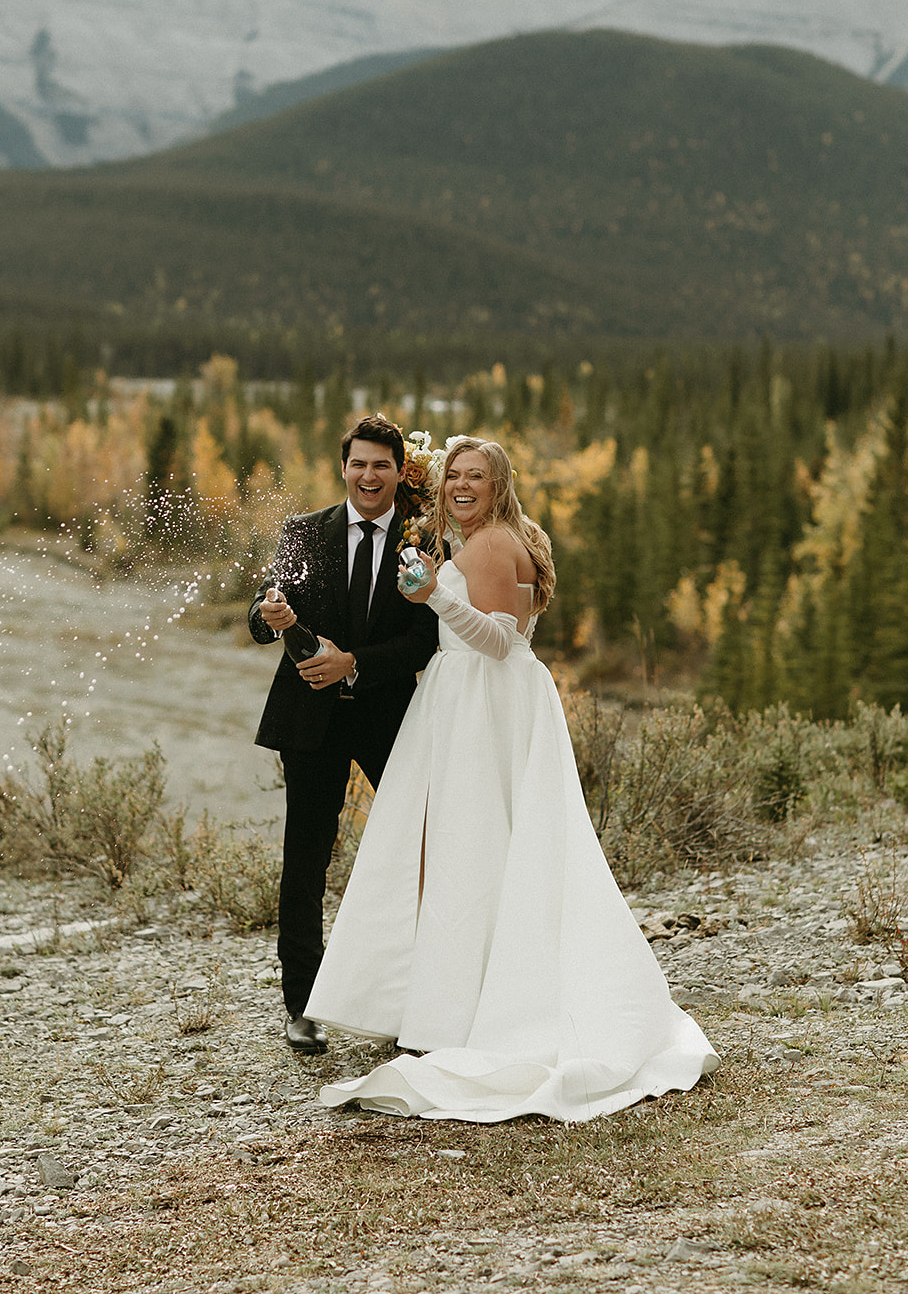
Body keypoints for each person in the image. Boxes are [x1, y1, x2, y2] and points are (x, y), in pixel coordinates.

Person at [305, 436, 719, 1122]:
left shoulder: (495, 544)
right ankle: (463, 1003)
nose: (461, 487)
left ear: (499, 486)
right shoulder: (490, 539)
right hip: (475, 702)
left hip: (480, 703)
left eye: (476, 477)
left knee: (467, 853)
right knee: (479, 852)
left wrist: (436, 594)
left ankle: (468, 1013)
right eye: (454, 477)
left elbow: (500, 641)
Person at [248, 415, 439, 1054]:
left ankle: (425, 995)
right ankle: (302, 1006)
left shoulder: (423, 543)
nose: (368, 475)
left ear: (399, 472)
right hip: (311, 721)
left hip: (390, 718)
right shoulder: (305, 533)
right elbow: (262, 607)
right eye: (358, 463)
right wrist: (268, 614)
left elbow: (425, 638)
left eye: (381, 465)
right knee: (305, 861)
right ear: (343, 467)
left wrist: (353, 663)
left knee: (421, 851)